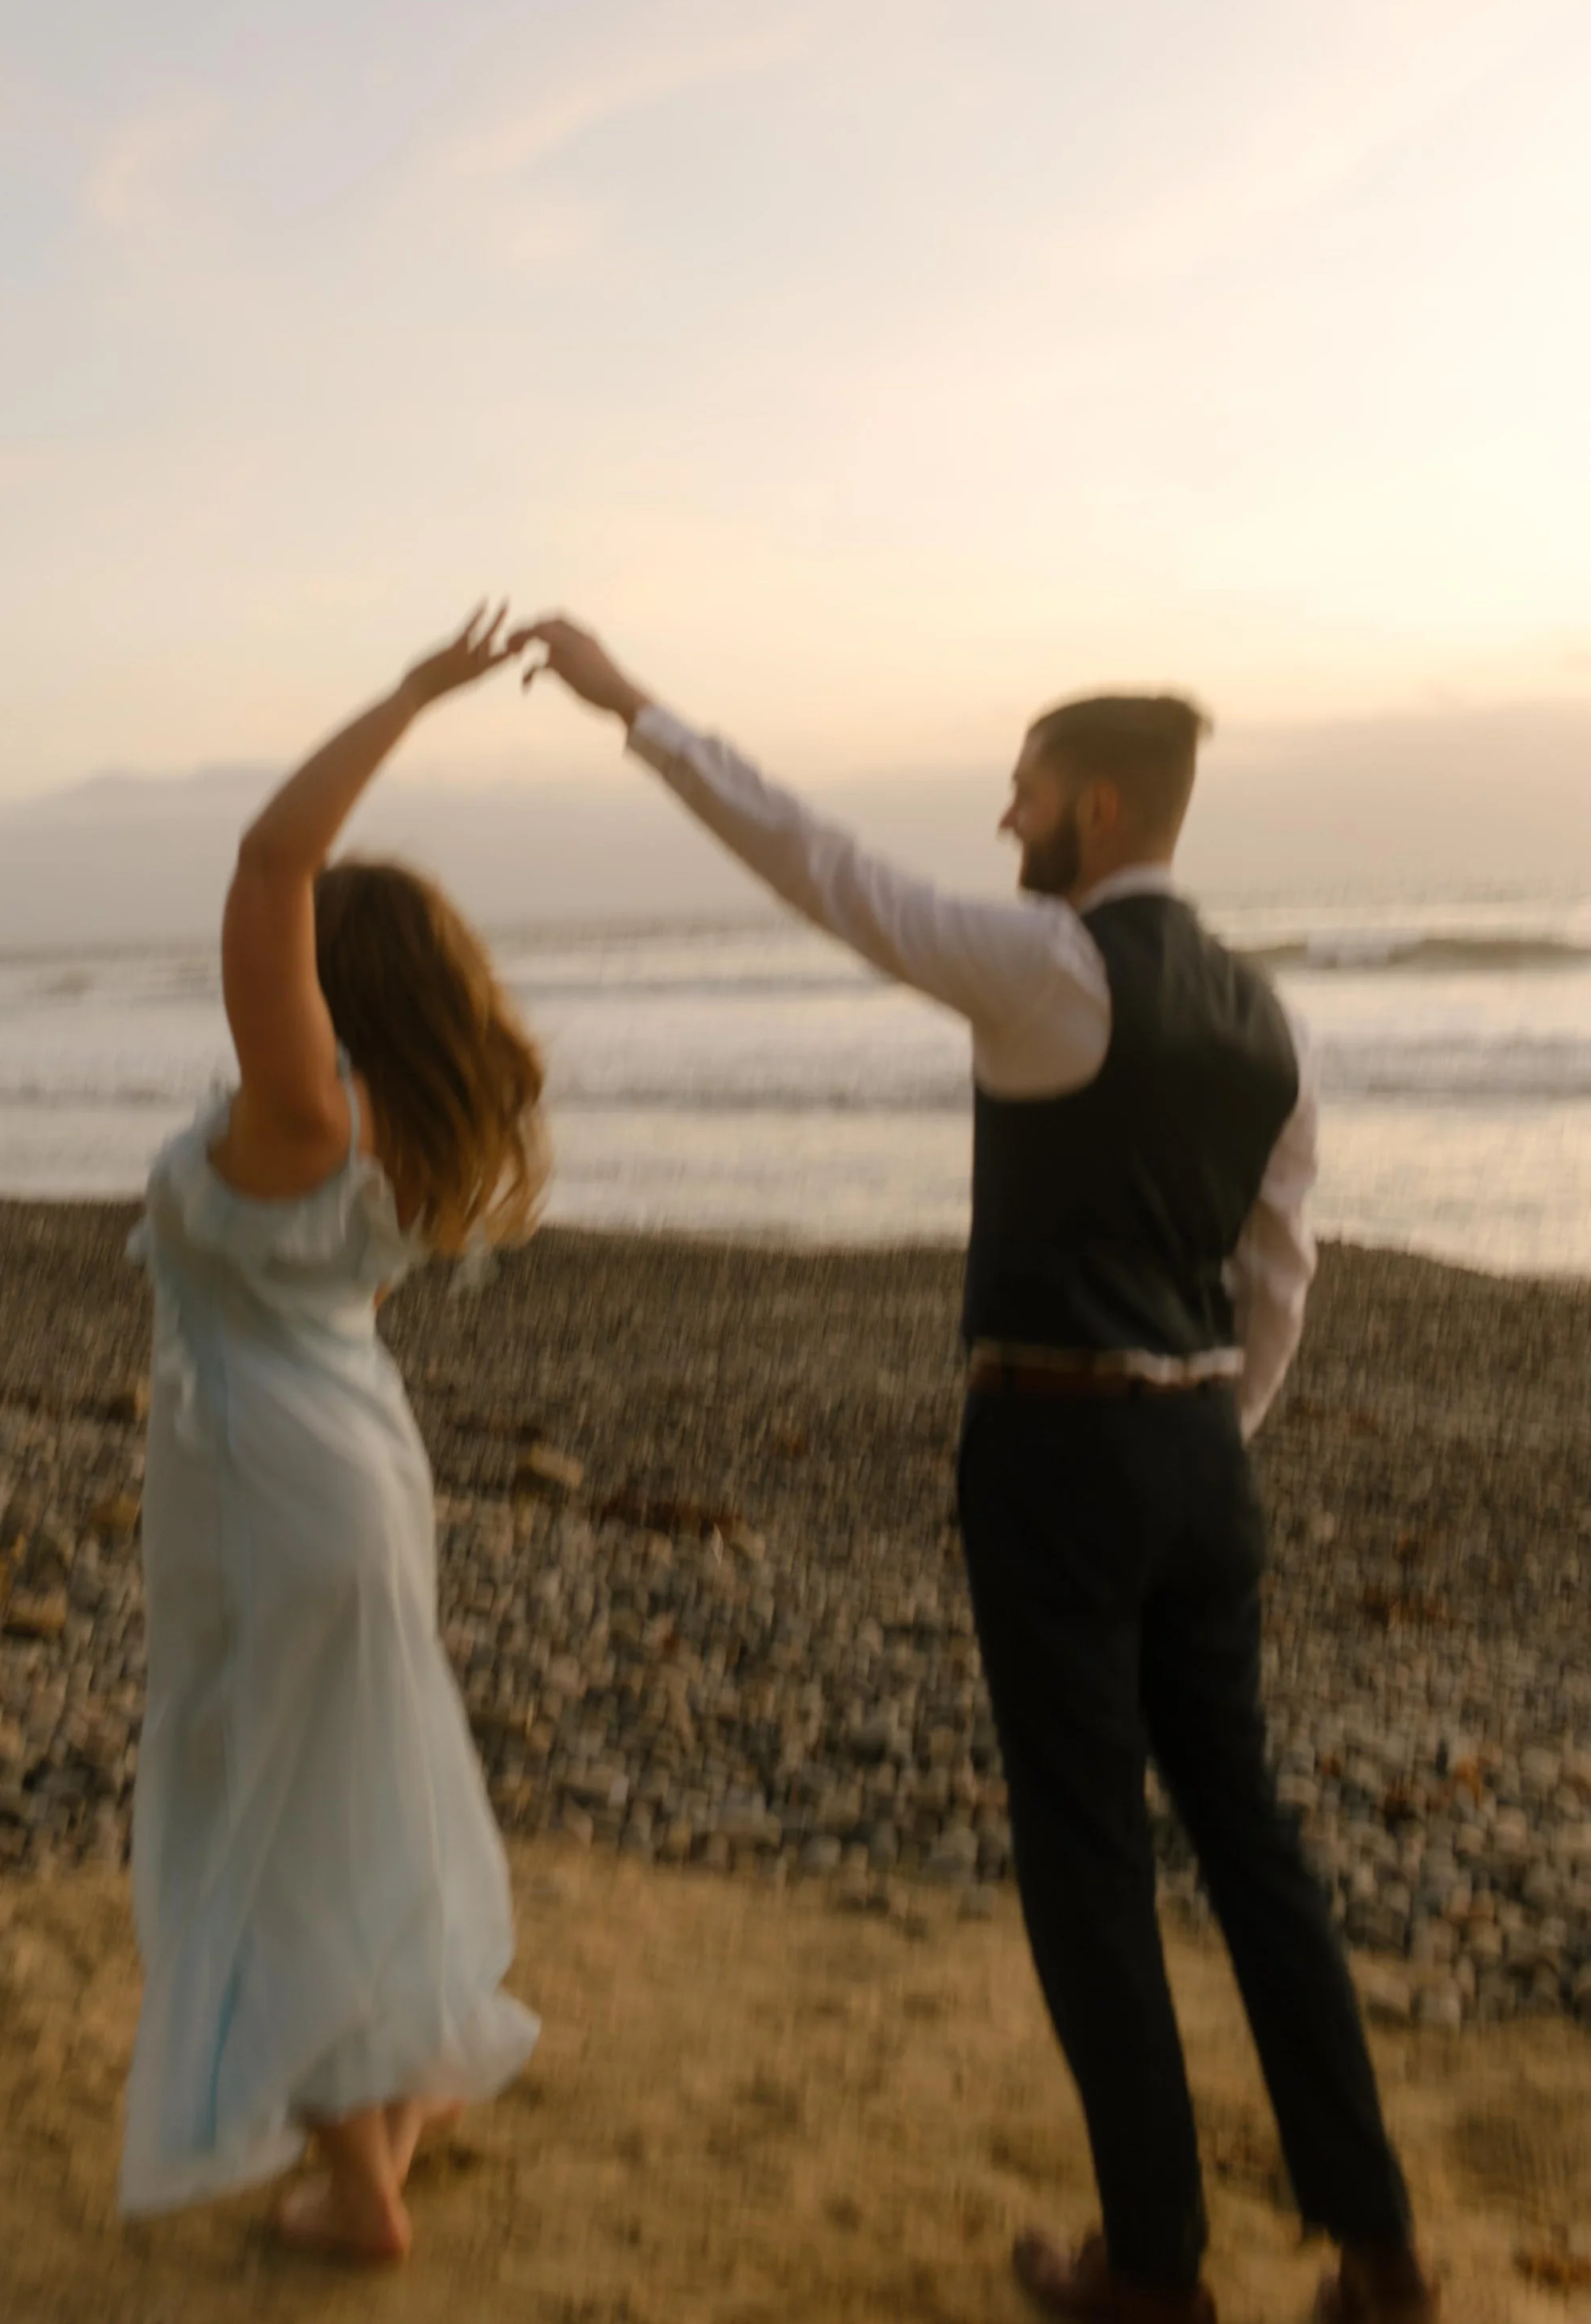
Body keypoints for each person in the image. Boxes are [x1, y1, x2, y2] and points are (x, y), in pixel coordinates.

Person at [510, 614, 1434, 2324]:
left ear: (1087, 808)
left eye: (1018, 790)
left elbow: (823, 867)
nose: (998, 817)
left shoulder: (1051, 973)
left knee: (1083, 1852)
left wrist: (635, 709)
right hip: (1197, 1458)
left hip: (1060, 1450)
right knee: (1251, 1846)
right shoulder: (1267, 1018)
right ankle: (1375, 2248)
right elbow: (1275, 1274)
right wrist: (1202, 1434)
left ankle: (1152, 2270)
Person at [121, 607, 547, 2261]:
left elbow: (264, 863)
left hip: (260, 1487)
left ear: (331, 988)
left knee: (257, 1819)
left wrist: (411, 697)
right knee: (355, 1798)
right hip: (357, 1464)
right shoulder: (405, 1131)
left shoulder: (303, 1110)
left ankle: (361, 2187)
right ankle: (382, 2130)